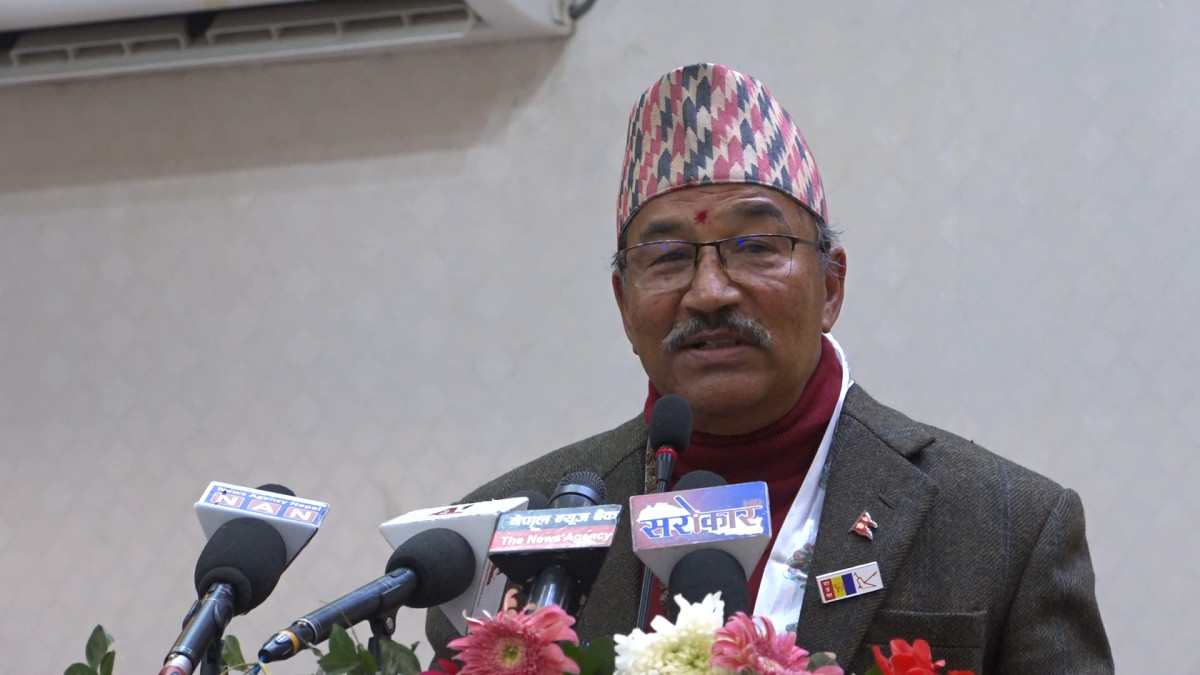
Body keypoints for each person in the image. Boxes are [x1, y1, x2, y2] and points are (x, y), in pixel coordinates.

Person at [425, 63, 1113, 673]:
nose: (709, 292)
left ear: (831, 286)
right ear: (623, 304)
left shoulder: (1005, 522)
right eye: (667, 257)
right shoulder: (507, 539)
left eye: (756, 246)